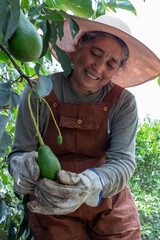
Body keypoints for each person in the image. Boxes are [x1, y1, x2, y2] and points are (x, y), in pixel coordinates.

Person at [7, 14, 160, 240]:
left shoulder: (123, 102)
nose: (99, 67)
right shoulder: (38, 92)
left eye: (111, 63)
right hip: (54, 206)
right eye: (95, 53)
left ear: (118, 70)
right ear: (78, 46)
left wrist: (89, 184)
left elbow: (123, 162)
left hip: (108, 204)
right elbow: (19, 154)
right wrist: (22, 167)